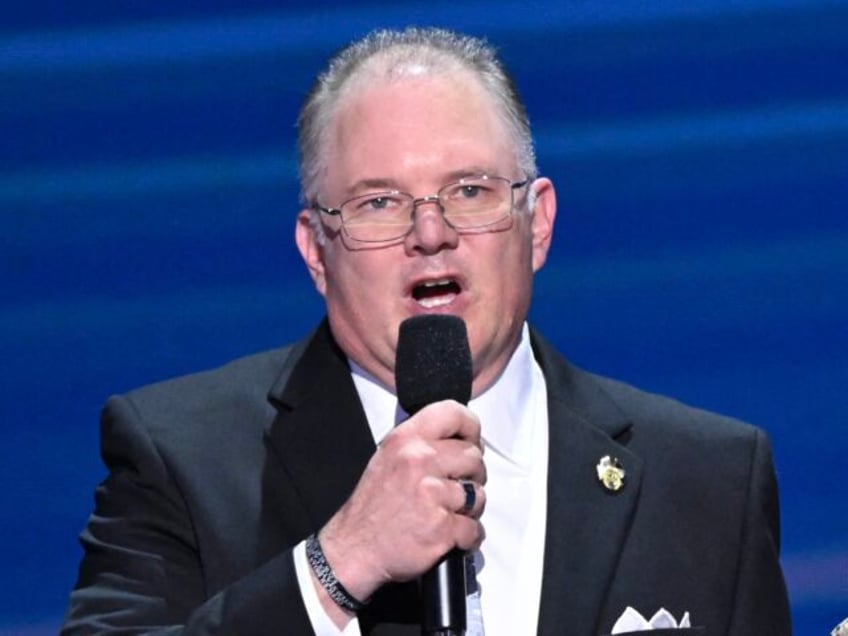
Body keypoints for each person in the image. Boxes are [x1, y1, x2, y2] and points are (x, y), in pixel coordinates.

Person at [62, 27, 791, 635]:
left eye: (468, 191)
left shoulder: (709, 481)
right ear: (318, 250)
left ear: (535, 224)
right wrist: (336, 565)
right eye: (379, 202)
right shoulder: (179, 456)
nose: (431, 233)